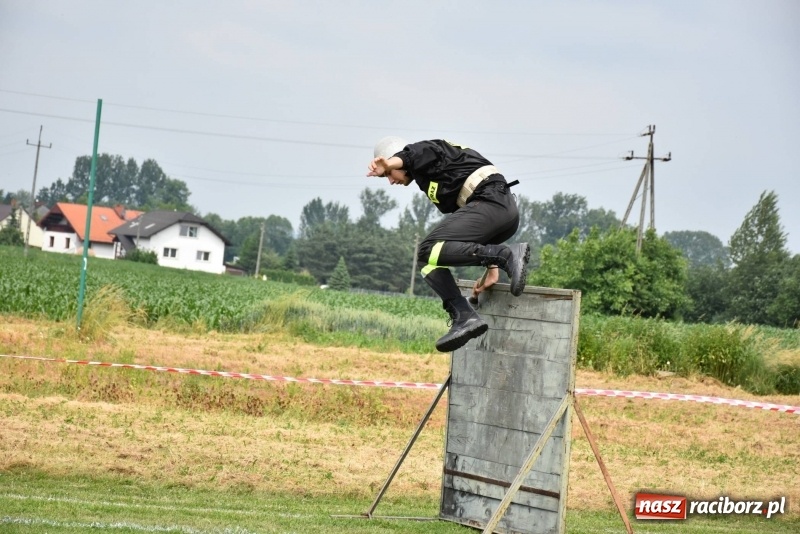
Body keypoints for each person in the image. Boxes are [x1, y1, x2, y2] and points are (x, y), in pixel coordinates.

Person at [367, 136, 530, 352]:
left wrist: (389, 163)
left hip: (492, 202)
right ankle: (463, 315)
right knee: (429, 261)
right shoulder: (428, 178)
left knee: (426, 249)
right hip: (492, 214)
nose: (390, 180)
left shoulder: (426, 151)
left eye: (389, 174)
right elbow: (467, 227)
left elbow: (410, 155)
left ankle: (504, 255)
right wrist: (492, 270)